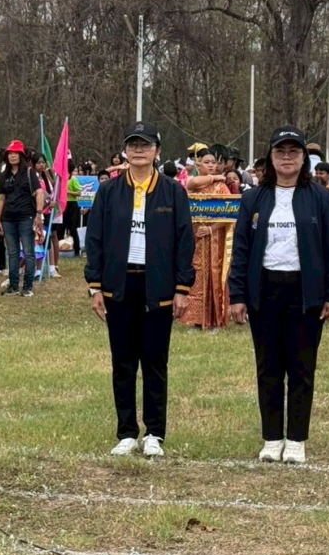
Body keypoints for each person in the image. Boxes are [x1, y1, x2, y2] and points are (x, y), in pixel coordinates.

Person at [228, 127, 329, 465]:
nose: (287, 157)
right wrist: (238, 295)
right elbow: (241, 251)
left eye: (294, 151)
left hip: (305, 292)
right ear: (271, 157)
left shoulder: (319, 196)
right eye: (281, 151)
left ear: (303, 159)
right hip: (264, 290)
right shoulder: (253, 198)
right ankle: (272, 438)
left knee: (301, 368)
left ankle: (296, 439)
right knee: (268, 368)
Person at [84, 121, 194, 457]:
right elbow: (96, 239)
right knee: (123, 362)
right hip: (119, 286)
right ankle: (127, 432)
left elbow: (184, 241)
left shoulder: (173, 191)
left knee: (155, 361)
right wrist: (95, 286)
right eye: (133, 145)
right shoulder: (109, 191)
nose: (139, 150)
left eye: (145, 145)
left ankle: (155, 434)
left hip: (158, 285)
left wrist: (181, 287)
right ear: (125, 151)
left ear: (157, 151)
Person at [184, 143, 233, 329]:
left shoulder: (221, 188)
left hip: (214, 240)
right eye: (207, 162)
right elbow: (191, 183)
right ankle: (197, 319)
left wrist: (211, 229)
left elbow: (229, 215)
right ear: (198, 165)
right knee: (197, 276)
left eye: (214, 162)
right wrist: (213, 177)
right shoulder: (194, 184)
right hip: (196, 239)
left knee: (214, 275)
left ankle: (215, 319)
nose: (211, 165)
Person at [0, 141, 45, 296]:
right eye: (10, 153)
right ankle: (13, 286)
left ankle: (28, 287)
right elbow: (1, 198)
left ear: (21, 156)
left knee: (29, 252)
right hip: (8, 219)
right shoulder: (4, 174)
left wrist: (38, 214)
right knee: (12, 253)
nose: (12, 156)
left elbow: (39, 193)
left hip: (26, 217)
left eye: (15, 153)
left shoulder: (30, 172)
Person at [34, 154, 59, 279]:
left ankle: (52, 268)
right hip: (38, 213)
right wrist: (48, 203)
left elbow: (50, 192)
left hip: (47, 213)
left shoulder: (44, 178)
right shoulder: (34, 179)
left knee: (47, 240)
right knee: (37, 241)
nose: (41, 165)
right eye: (38, 163)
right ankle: (29, 268)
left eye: (43, 162)